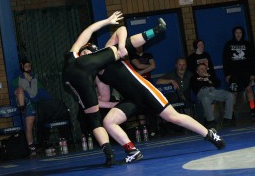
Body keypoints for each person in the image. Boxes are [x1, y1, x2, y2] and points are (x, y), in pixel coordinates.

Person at [96, 29, 226, 164]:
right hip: (131, 100)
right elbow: (104, 99)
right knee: (108, 122)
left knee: (173, 117)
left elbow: (120, 30)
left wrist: (122, 46)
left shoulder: (108, 52)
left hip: (145, 91)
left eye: (86, 54)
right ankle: (132, 151)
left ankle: (209, 134)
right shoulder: (98, 76)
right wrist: (89, 102)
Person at [62, 11, 166, 166]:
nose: (85, 52)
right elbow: (89, 31)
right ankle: (155, 31)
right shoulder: (82, 57)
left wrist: (112, 105)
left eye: (87, 51)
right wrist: (108, 21)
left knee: (95, 121)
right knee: (117, 49)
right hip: (78, 73)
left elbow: (102, 100)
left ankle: (109, 154)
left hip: (70, 81)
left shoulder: (83, 63)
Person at [12, 59, 52, 156]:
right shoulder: (17, 80)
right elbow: (14, 92)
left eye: (29, 66)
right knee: (29, 124)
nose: (28, 68)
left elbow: (42, 92)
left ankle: (40, 143)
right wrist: (15, 92)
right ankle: (30, 145)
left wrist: (50, 100)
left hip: (36, 102)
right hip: (26, 103)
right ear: (22, 67)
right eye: (26, 66)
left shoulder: (34, 79)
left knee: (38, 123)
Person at [222, 26, 255, 121]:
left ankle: (253, 110)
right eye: (236, 32)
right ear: (234, 33)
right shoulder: (228, 45)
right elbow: (225, 60)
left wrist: (253, 73)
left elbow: (252, 60)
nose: (238, 34)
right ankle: (230, 114)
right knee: (234, 93)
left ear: (242, 33)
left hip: (246, 73)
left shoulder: (247, 44)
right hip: (234, 74)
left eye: (240, 32)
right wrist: (227, 74)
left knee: (249, 90)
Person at [190, 63, 234, 128]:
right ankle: (210, 121)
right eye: (201, 69)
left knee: (229, 95)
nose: (204, 70)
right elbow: (196, 87)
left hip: (213, 91)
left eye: (205, 68)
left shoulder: (210, 76)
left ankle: (227, 119)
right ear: (197, 71)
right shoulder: (194, 78)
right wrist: (203, 79)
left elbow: (218, 84)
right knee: (206, 98)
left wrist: (209, 77)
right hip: (202, 92)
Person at [130, 46, 158, 137]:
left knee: (151, 105)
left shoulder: (148, 55)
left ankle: (153, 130)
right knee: (140, 105)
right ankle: (143, 128)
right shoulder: (133, 56)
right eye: (138, 46)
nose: (140, 47)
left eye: (141, 45)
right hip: (138, 82)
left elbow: (154, 66)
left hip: (148, 81)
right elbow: (138, 65)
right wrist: (149, 66)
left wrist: (141, 72)